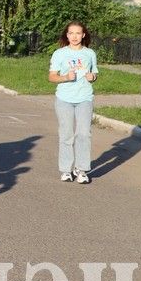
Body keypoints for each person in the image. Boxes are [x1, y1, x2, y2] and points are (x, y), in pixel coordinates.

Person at [48, 21, 98, 184]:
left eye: (78, 33)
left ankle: (81, 169)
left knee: (84, 134)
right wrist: (65, 77)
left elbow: (94, 74)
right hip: (64, 99)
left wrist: (93, 77)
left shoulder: (90, 53)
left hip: (85, 98)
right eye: (71, 33)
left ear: (83, 35)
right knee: (66, 134)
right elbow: (51, 77)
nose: (75, 36)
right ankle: (66, 169)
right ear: (67, 35)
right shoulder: (59, 54)